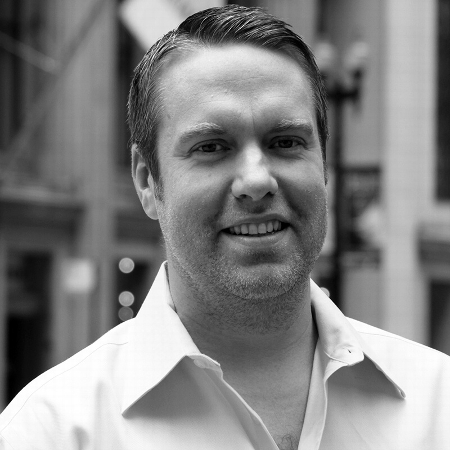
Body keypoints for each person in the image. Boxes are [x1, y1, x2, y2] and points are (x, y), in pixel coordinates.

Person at [1, 5, 449, 450]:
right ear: (147, 181)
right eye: (212, 147)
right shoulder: (50, 432)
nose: (256, 181)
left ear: (324, 164)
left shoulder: (438, 405)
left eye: (286, 142)